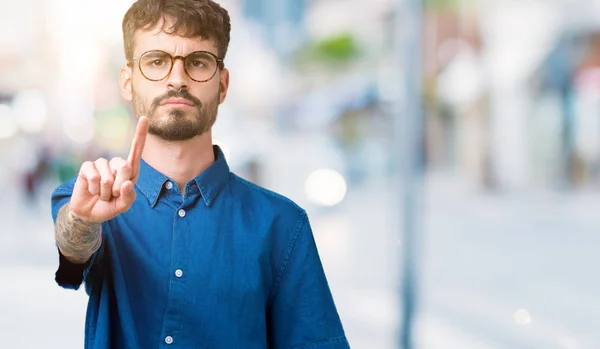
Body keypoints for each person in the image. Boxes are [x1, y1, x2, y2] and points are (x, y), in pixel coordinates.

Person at [50, 1, 350, 348]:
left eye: (198, 62)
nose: (177, 79)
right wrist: (83, 219)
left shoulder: (283, 225)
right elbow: (73, 249)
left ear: (222, 85)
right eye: (157, 62)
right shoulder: (89, 198)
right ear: (128, 82)